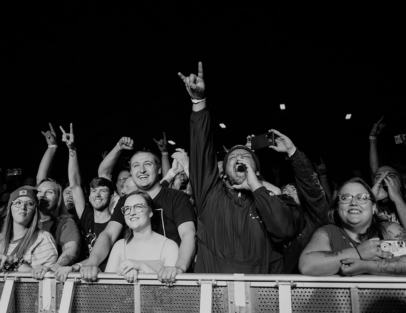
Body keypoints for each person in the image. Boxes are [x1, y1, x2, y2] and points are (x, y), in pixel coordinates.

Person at [180, 62, 304, 273]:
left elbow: (283, 229)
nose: (239, 157)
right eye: (232, 157)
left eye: (247, 157)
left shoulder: (278, 199)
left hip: (262, 299)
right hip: (215, 297)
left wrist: (257, 188)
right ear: (224, 171)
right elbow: (201, 150)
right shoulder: (210, 193)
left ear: (256, 170)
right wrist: (198, 102)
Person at [80, 150, 196, 283]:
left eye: (148, 164)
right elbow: (108, 234)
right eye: (135, 165)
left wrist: (178, 268)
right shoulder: (124, 201)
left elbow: (188, 234)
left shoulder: (177, 197)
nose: (142, 170)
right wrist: (92, 263)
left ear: (158, 169)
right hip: (133, 279)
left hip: (169, 278)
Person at [299, 177, 405, 276]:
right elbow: (306, 265)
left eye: (362, 197)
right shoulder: (327, 233)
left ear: (373, 208)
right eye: (345, 197)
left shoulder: (389, 229)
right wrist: (358, 253)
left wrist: (366, 266)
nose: (354, 202)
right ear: (336, 208)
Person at [268, 130, 329, 273]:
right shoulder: (271, 223)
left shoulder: (314, 220)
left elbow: (311, 188)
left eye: (294, 190)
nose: (288, 192)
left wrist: (293, 153)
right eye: (285, 191)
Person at [105, 191, 178, 283]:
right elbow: (106, 287)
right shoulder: (119, 246)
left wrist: (141, 266)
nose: (132, 213)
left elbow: (173, 292)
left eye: (138, 207)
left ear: (150, 212)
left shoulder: (169, 246)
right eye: (127, 209)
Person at [0, 186, 58, 278]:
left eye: (29, 203)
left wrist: (17, 263)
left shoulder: (42, 238)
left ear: (35, 211)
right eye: (18, 203)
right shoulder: (1, 239)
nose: (23, 207)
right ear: (10, 208)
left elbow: (48, 280)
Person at [36, 178, 81, 277]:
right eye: (39, 191)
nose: (43, 196)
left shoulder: (64, 223)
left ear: (58, 199)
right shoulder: (24, 223)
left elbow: (71, 250)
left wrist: (53, 268)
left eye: (49, 192)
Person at [98, 137, 134, 213]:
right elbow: (103, 172)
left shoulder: (140, 199)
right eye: (121, 179)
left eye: (127, 178)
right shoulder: (113, 199)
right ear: (116, 185)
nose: (124, 181)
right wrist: (119, 147)